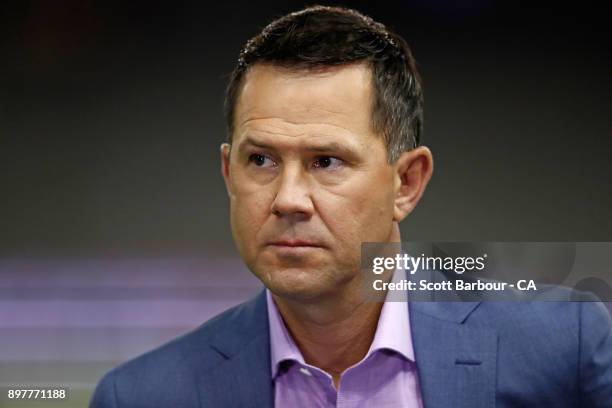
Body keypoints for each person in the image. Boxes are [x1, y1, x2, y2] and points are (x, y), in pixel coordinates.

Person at [90, 6, 612, 407]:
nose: (288, 199)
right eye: (262, 160)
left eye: (326, 161)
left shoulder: (565, 346)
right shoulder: (141, 396)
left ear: (407, 182)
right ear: (229, 173)